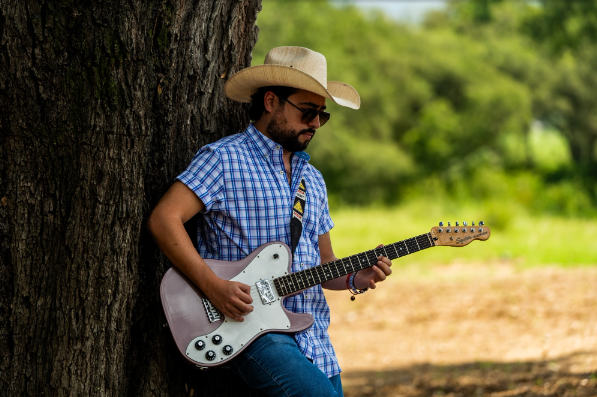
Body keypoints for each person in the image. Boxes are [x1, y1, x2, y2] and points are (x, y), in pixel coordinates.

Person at [147, 46, 393, 397]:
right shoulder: (223, 159)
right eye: (307, 111)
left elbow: (324, 265)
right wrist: (213, 286)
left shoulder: (313, 179)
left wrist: (357, 276)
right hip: (247, 329)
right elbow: (163, 219)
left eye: (322, 115)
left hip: (312, 337)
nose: (315, 123)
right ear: (271, 102)